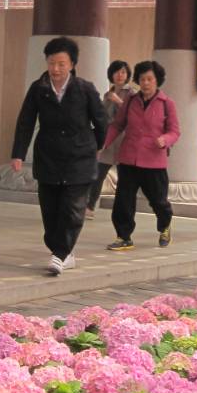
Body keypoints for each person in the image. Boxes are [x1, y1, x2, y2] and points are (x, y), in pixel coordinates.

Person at [11, 36, 107, 275]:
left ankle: (60, 254)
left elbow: (102, 121)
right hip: (49, 157)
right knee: (50, 211)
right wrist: (18, 153)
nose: (55, 69)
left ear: (72, 64)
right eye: (52, 63)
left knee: (72, 209)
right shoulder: (38, 89)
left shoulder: (85, 89)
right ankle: (64, 252)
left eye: (61, 64)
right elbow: (25, 122)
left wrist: (96, 145)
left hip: (79, 158)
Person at [104, 60, 180, 252]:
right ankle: (123, 236)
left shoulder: (167, 103)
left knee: (158, 201)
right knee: (123, 200)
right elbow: (117, 125)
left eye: (149, 79)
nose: (145, 83)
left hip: (154, 162)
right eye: (142, 79)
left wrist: (165, 139)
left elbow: (174, 131)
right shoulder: (131, 101)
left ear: (157, 80)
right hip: (128, 158)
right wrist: (103, 143)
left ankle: (165, 226)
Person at [86, 59, 138, 218]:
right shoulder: (108, 93)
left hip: (124, 140)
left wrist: (118, 101)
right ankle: (90, 207)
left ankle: (124, 210)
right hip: (108, 140)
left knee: (125, 179)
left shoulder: (132, 93)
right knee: (98, 174)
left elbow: (135, 113)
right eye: (116, 72)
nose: (120, 75)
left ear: (128, 75)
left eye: (123, 72)